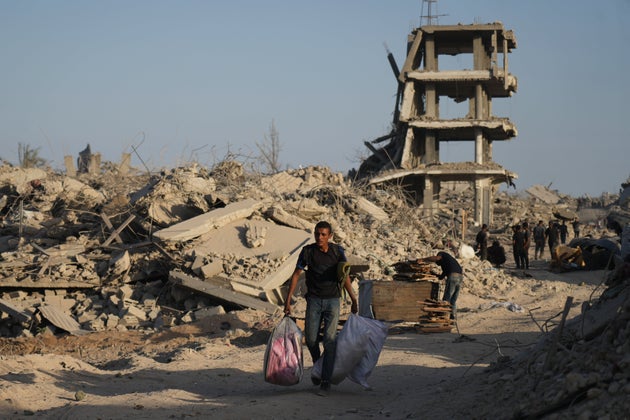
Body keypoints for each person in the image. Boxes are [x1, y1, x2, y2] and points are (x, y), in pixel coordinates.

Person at [284, 221, 358, 396]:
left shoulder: (337, 251)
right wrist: (287, 301)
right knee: (310, 339)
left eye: (323, 234)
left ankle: (325, 381)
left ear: (330, 236)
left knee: (330, 342)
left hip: (333, 301)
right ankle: (319, 365)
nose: (320, 237)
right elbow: (295, 275)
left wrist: (354, 299)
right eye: (317, 234)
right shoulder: (307, 252)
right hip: (314, 301)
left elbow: (345, 275)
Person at [418, 251, 463, 320]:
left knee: (447, 298)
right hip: (460, 277)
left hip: (453, 276)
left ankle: (444, 316)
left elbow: (436, 258)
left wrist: (423, 259)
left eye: (437, 262)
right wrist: (434, 275)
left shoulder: (441, 254)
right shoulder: (447, 264)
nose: (437, 264)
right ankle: (452, 317)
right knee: (453, 300)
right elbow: (441, 277)